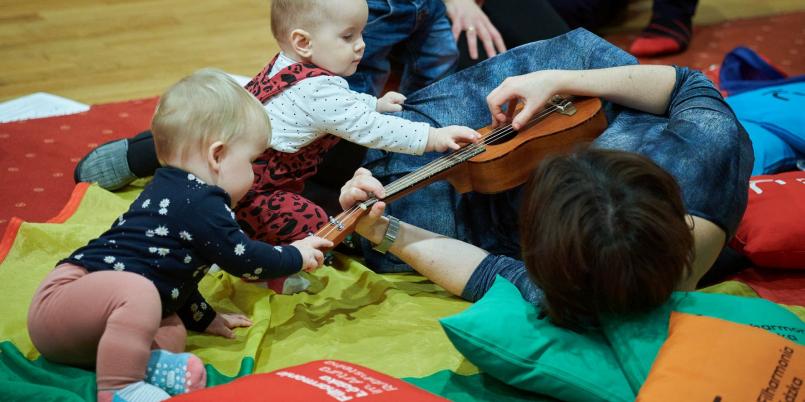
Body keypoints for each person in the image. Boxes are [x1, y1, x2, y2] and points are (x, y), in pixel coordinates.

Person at [339, 61, 752, 328]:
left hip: (475, 202)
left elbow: (486, 272)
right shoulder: (709, 146)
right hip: (579, 106)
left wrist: (381, 231)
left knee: (338, 151)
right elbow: (685, 82)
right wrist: (558, 79)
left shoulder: (586, 293)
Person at [27, 69, 333, 402]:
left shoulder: (173, 187)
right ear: (217, 156)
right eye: (251, 162)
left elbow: (173, 270)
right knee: (142, 295)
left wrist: (204, 317)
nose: (254, 175)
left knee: (171, 328)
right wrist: (295, 254)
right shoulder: (202, 203)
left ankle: (139, 365)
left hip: (92, 324)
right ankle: (119, 388)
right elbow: (245, 259)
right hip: (64, 300)